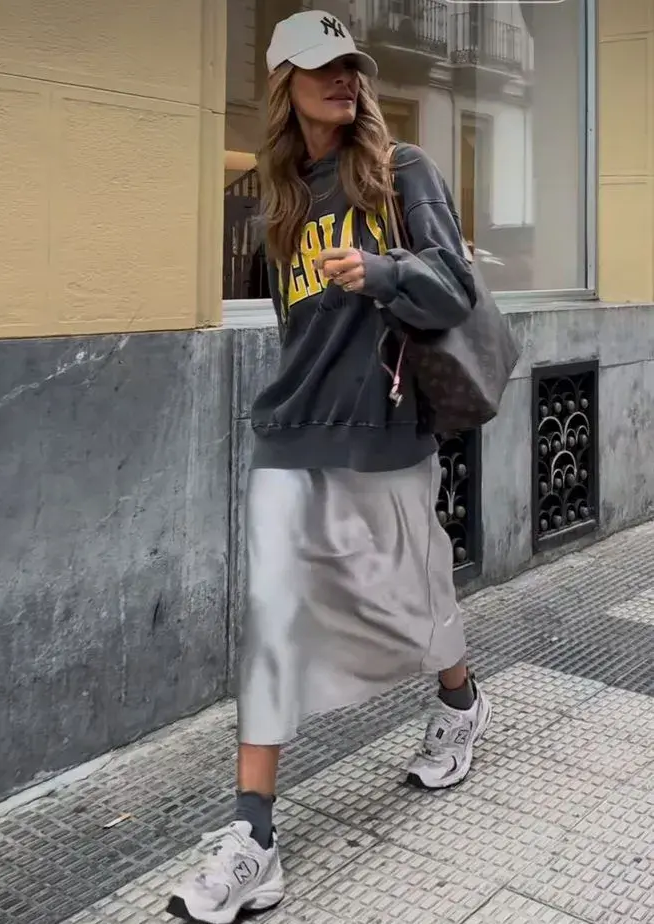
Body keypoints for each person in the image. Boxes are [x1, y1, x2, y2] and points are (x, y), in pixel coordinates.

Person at [168, 10, 492, 924]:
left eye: (350, 65)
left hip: (381, 431)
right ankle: (252, 840)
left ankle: (461, 702)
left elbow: (453, 287)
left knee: (409, 593)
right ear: (284, 85)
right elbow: (292, 324)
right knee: (271, 612)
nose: (343, 80)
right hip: (291, 430)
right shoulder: (276, 193)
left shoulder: (401, 172)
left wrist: (381, 272)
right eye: (322, 68)